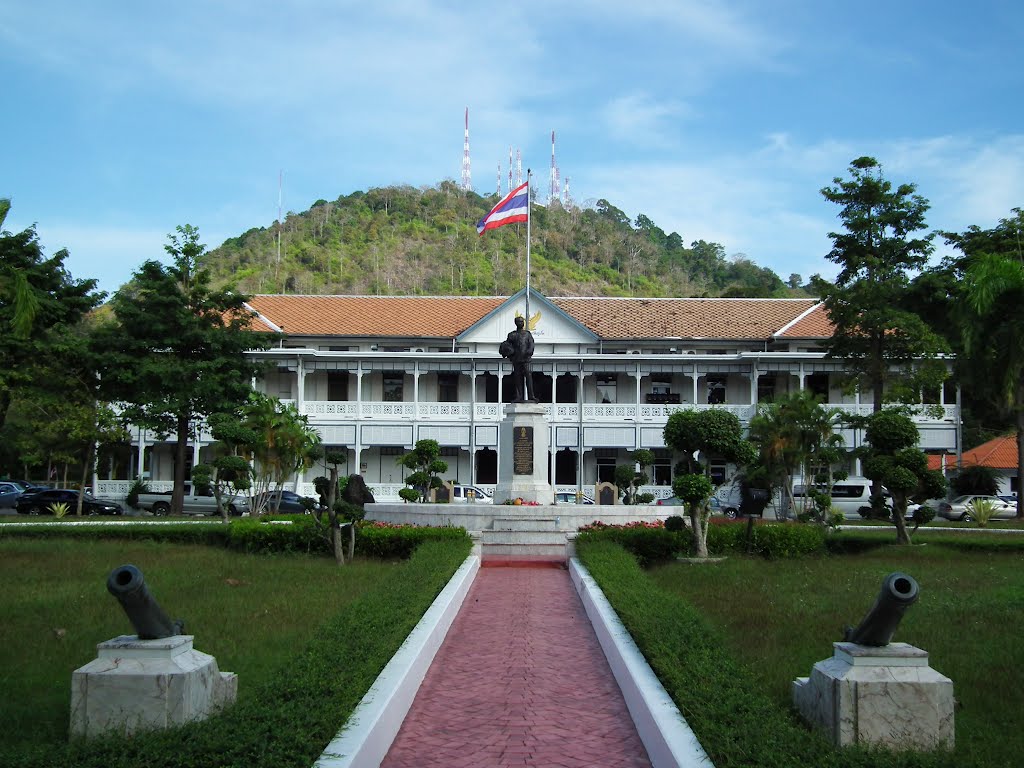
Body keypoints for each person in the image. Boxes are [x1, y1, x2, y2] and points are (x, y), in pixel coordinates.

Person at [499, 316, 536, 403]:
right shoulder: (512, 335)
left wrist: (529, 351)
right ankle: (519, 396)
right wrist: (507, 352)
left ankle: (531, 396)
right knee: (518, 378)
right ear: (516, 323)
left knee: (529, 376)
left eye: (522, 321)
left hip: (526, 359)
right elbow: (507, 345)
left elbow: (531, 344)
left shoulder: (527, 334)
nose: (521, 323)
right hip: (516, 359)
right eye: (519, 322)